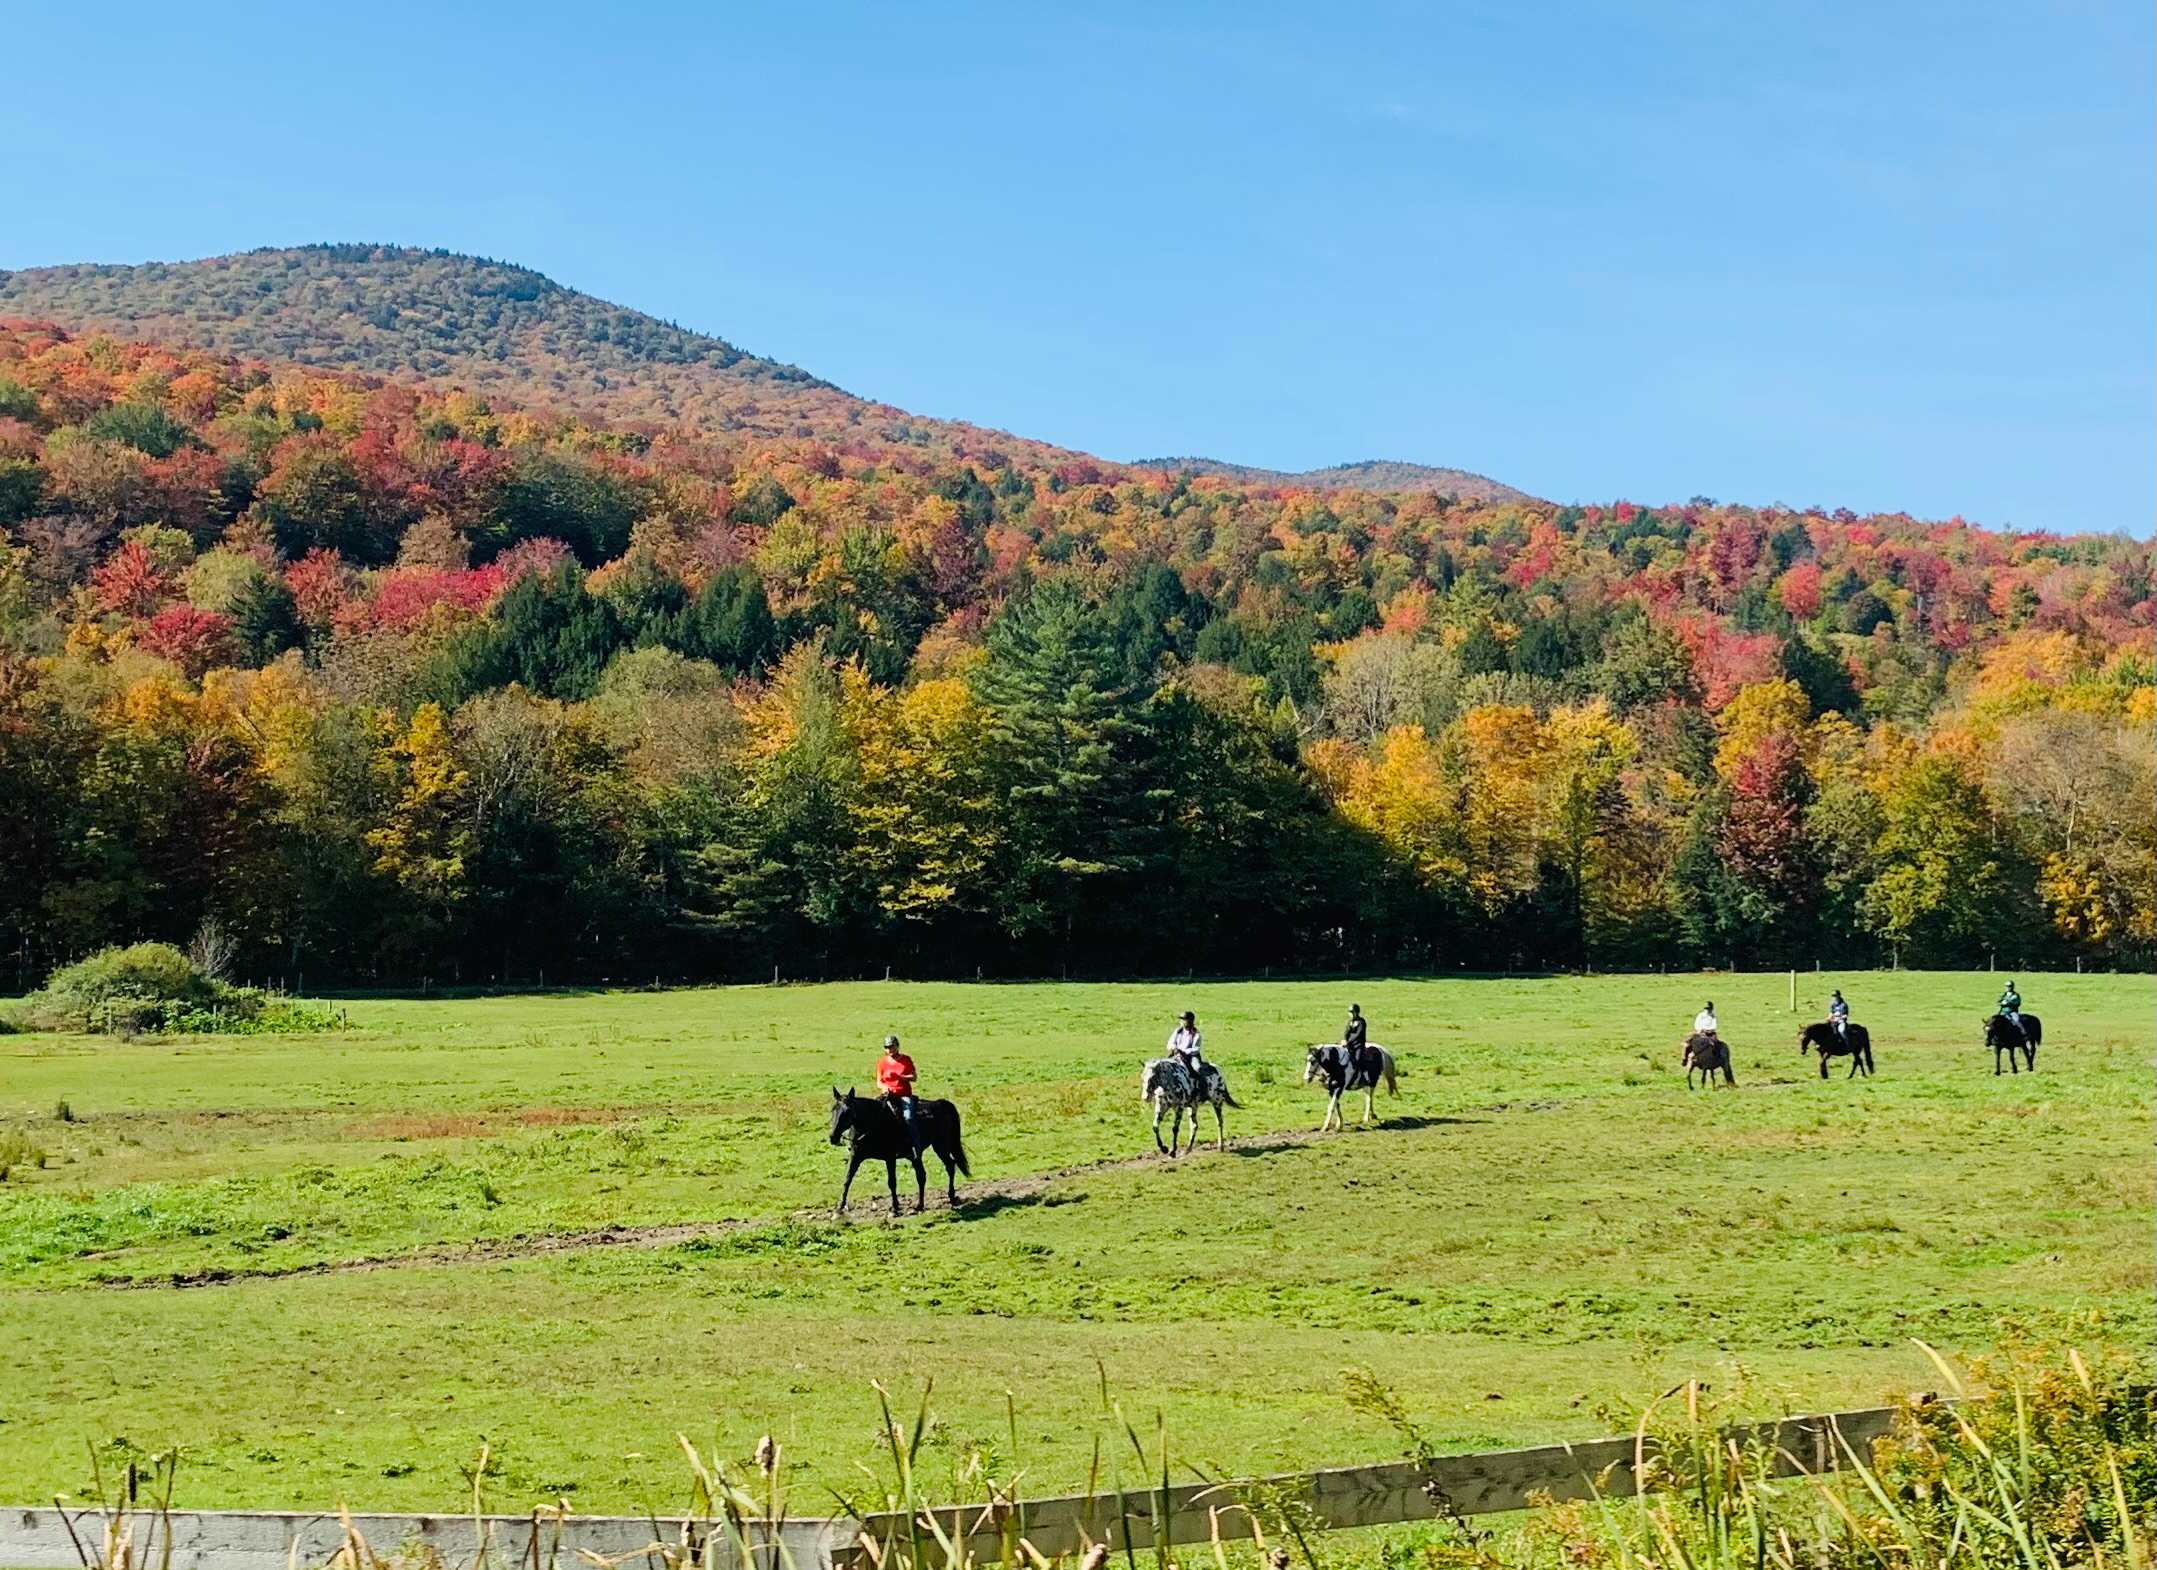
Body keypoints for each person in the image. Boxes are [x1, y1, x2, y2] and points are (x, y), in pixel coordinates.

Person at [876, 1033, 924, 1158]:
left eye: (891, 1047)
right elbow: (879, 1081)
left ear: (897, 1046)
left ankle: (915, 1146)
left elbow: (914, 1077)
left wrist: (900, 1077)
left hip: (903, 1094)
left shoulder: (906, 1060)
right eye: (887, 1047)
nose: (889, 1050)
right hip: (887, 1095)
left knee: (908, 1117)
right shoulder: (882, 1062)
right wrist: (884, 1087)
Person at [1166, 1010, 1207, 1095]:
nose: (1182, 1022)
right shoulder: (1177, 1031)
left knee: (1197, 1068)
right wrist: (1174, 1048)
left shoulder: (1196, 1034)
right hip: (1177, 1054)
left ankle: (1200, 1088)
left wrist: (1183, 1051)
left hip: (1191, 1056)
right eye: (1182, 1020)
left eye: (1184, 1020)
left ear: (1190, 1021)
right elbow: (1170, 1042)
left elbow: (1196, 1048)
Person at [1343, 1003, 1372, 1074]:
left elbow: (1358, 1034)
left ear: (1356, 1012)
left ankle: (1361, 1076)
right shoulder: (1350, 1022)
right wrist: (1345, 1040)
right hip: (1350, 1045)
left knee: (1357, 1060)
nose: (1351, 1015)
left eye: (1352, 1012)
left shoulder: (1361, 1022)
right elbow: (1346, 1032)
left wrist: (1348, 1041)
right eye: (1350, 1013)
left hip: (1358, 1045)